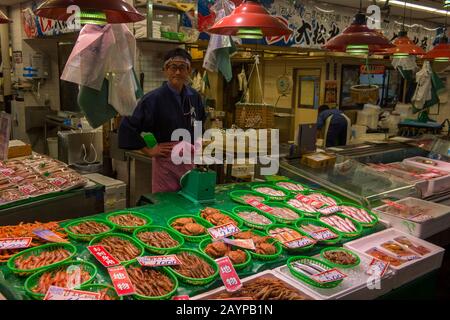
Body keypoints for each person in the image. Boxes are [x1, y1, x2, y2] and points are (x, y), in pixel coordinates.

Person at [119, 48, 206, 193]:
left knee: (188, 203)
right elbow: (127, 127)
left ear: (188, 71)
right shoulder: (153, 99)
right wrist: (149, 150)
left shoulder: (194, 97)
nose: (177, 72)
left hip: (189, 162)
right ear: (165, 70)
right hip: (166, 163)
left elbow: (200, 122)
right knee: (166, 204)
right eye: (173, 67)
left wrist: (197, 145)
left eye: (182, 68)